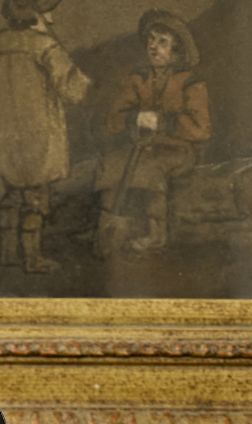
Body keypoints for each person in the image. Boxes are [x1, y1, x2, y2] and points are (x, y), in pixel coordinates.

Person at [0, 0, 92, 273]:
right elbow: (74, 89)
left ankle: (8, 253)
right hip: (37, 132)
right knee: (35, 196)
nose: (52, 17)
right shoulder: (45, 45)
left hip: (4, 133)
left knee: (12, 193)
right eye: (47, 11)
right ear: (36, 13)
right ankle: (33, 259)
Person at [96, 10, 211, 254]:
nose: (153, 46)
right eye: (151, 39)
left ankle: (156, 234)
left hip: (179, 150)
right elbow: (112, 119)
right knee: (112, 163)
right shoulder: (139, 78)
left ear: (176, 51)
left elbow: (201, 129)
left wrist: (162, 122)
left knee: (150, 166)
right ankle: (110, 228)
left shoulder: (191, 82)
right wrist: (134, 118)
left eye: (162, 42)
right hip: (141, 146)